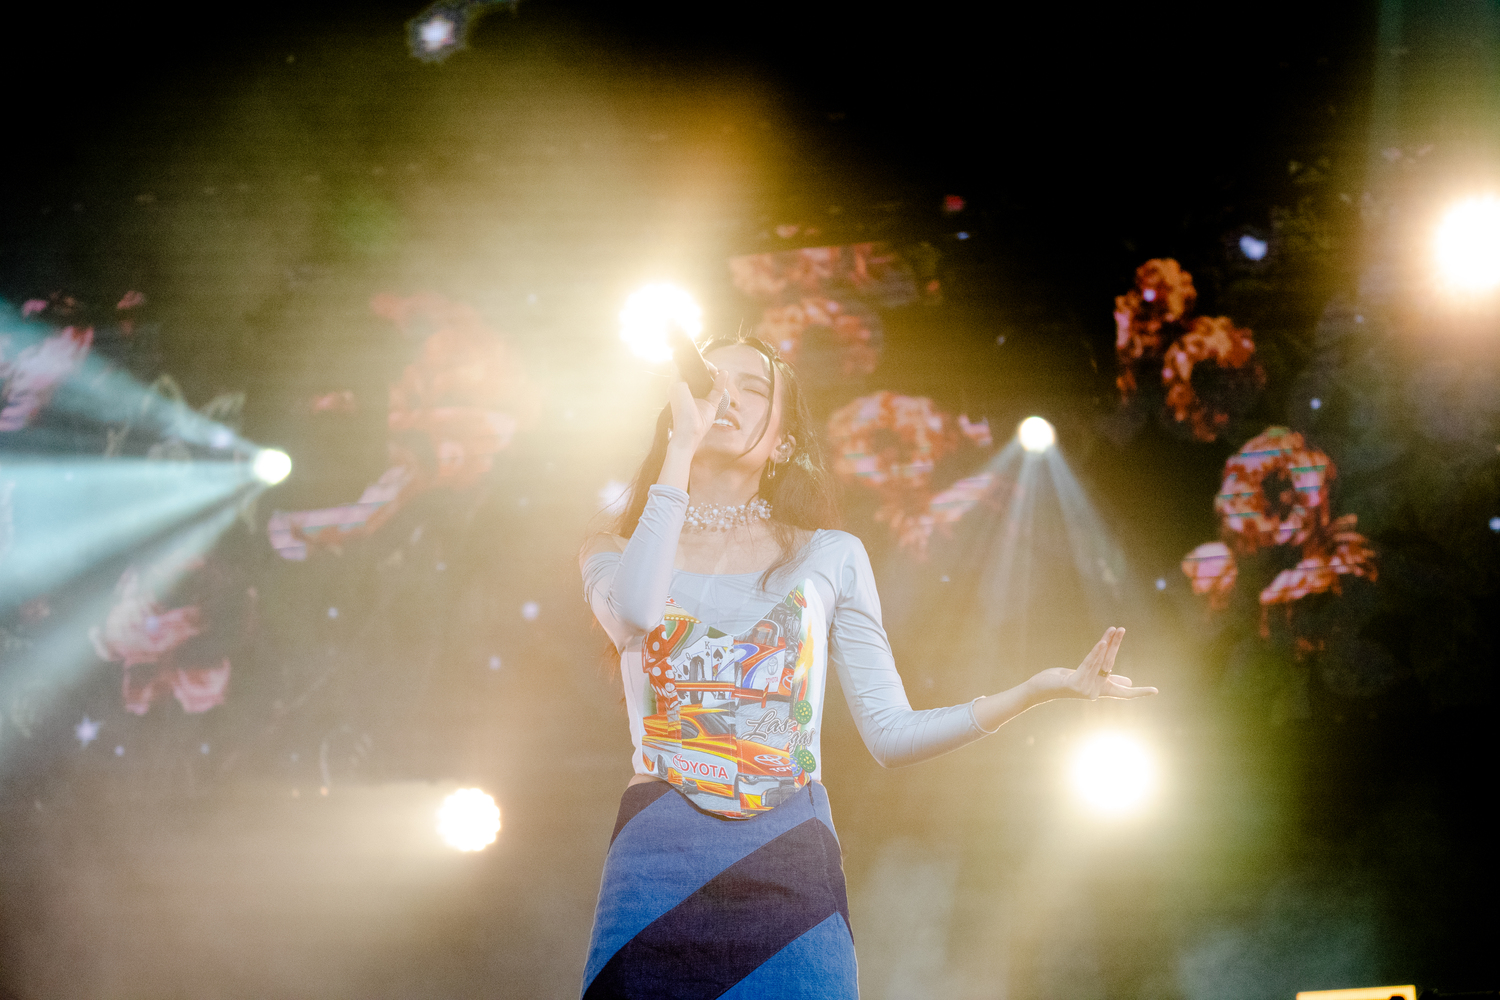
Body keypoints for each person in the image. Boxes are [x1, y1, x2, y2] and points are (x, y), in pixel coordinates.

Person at [578, 335, 1156, 999]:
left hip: (788, 852)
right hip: (657, 854)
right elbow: (637, 613)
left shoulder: (831, 555)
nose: (725, 397)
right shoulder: (611, 550)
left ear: (784, 444)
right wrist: (679, 450)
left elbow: (890, 733)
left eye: (752, 388)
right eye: (713, 381)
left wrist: (1037, 690)